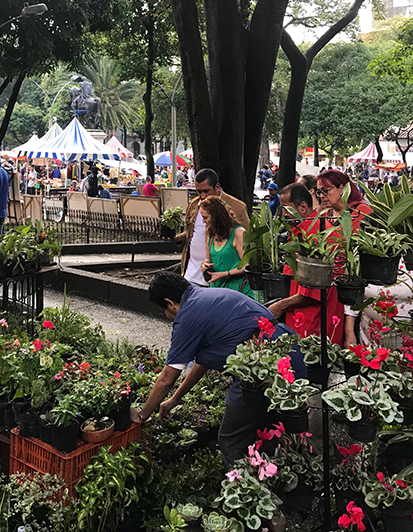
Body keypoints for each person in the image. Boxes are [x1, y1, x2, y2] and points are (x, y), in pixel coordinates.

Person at [130, 272, 305, 466]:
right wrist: (175, 399)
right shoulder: (207, 297)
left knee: (231, 439)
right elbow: (203, 362)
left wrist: (143, 415)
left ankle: (242, 489)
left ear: (170, 303)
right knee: (266, 431)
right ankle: (272, 480)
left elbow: (166, 379)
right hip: (287, 356)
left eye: (163, 309)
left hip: (263, 370)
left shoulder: (187, 315)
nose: (167, 315)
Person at [267, 183, 345, 345]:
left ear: (302, 207)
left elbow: (312, 293)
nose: (283, 214)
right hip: (302, 317)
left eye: (285, 208)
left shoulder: (318, 234)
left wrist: (279, 306)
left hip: (314, 322)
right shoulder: (302, 231)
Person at [176, 168, 249, 287]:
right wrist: (176, 238)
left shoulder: (237, 207)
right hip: (193, 273)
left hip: (225, 278)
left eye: (206, 191)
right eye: (199, 192)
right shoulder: (195, 204)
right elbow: (190, 233)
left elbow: (247, 243)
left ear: (217, 187)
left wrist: (226, 273)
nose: (202, 196)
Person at [199, 197, 252, 297]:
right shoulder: (210, 232)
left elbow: (247, 265)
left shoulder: (238, 233)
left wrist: (224, 274)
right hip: (217, 291)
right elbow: (208, 259)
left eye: (206, 217)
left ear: (216, 217)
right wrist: (204, 264)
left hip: (237, 291)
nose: (203, 221)